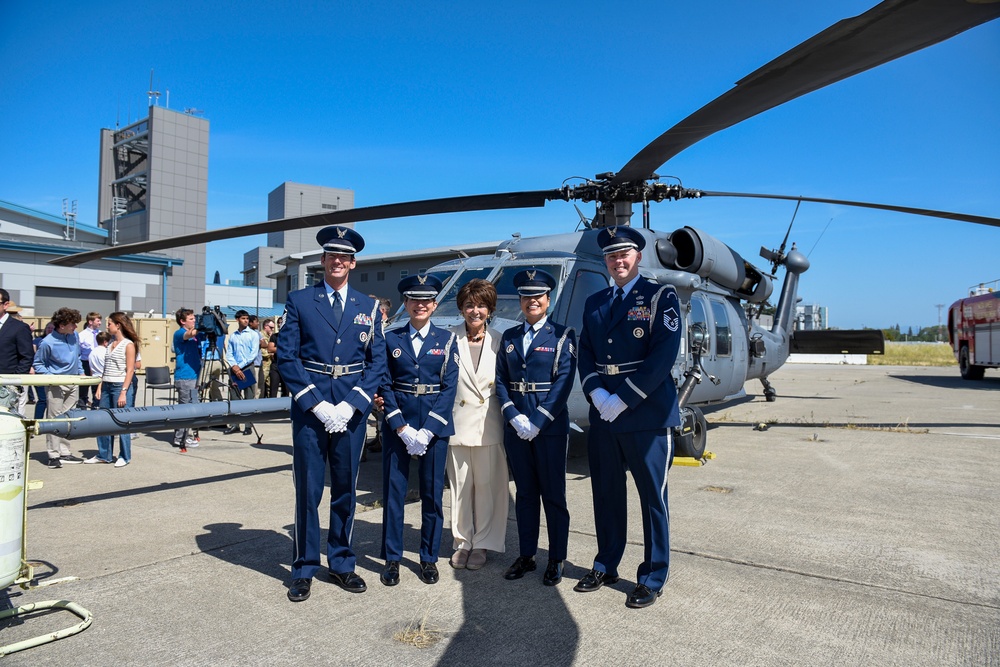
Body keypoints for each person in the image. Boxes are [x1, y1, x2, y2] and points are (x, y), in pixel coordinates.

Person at [276, 225, 387, 603]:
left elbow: (376, 362)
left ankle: (341, 562)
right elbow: (287, 356)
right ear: (322, 261)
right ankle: (304, 567)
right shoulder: (300, 300)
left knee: (345, 489)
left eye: (344, 257)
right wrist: (317, 403)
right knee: (308, 490)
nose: (338, 261)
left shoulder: (368, 307)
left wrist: (352, 404)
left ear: (352, 263)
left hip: (350, 411)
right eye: (331, 255)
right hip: (312, 410)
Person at [575, 225, 682, 609]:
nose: (617, 261)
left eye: (624, 254)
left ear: (637, 256)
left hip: (647, 414)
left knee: (652, 498)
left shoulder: (659, 296)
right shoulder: (596, 302)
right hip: (604, 413)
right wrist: (597, 392)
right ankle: (606, 564)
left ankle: (653, 576)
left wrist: (625, 397)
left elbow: (662, 354)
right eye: (610, 256)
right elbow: (584, 351)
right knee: (605, 493)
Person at [495, 269, 577, 586]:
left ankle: (556, 558)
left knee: (554, 495)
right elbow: (501, 381)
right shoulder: (511, 337)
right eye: (527, 296)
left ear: (548, 299)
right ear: (520, 300)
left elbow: (563, 383)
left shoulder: (562, 336)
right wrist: (513, 415)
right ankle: (527, 555)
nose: (532, 301)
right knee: (527, 494)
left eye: (538, 296)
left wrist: (539, 420)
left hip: (550, 429)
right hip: (517, 428)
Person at [378, 274, 459, 587]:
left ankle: (428, 557)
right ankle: (393, 559)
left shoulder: (447, 340)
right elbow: (385, 382)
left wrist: (426, 432)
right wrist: (401, 426)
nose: (420, 305)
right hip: (399, 427)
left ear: (435, 305)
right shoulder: (391, 339)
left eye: (426, 300)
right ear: (405, 303)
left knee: (432, 496)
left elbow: (449, 388)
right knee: (394, 494)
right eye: (414, 300)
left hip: (434, 430)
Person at [445, 278, 508, 571]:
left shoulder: (500, 340)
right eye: (469, 305)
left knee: (487, 487)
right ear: (461, 308)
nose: (475, 311)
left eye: (481, 305)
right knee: (460, 488)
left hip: (488, 424)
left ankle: (481, 542)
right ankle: (462, 542)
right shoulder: (448, 339)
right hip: (457, 424)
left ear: (490, 309)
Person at [32, 307, 86, 468]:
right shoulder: (47, 342)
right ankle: (53, 455)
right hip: (56, 384)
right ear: (62, 325)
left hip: (73, 382)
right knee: (55, 420)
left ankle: (65, 452)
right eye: (73, 324)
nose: (76, 327)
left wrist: (81, 373)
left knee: (69, 419)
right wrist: (52, 377)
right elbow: (38, 363)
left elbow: (77, 357)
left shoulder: (74, 336)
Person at [88, 312, 140, 467]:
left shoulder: (128, 345)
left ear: (118, 325)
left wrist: (123, 391)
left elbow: (130, 370)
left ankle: (125, 456)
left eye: (109, 323)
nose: (107, 326)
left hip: (119, 386)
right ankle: (104, 454)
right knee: (103, 421)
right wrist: (100, 386)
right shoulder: (110, 344)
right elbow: (106, 368)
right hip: (107, 385)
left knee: (123, 422)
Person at [0, 289, 34, 416]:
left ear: (6, 305)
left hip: (6, 387)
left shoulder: (19, 328)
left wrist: (14, 382)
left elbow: (27, 357)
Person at [172, 308, 202, 451]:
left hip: (195, 375)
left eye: (194, 318)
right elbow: (188, 334)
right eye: (191, 319)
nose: (194, 320)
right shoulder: (179, 333)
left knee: (193, 407)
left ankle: (187, 434)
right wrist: (202, 327)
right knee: (185, 409)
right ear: (182, 321)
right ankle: (180, 438)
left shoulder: (194, 335)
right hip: (185, 376)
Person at [224, 310, 257, 435]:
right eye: (243, 318)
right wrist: (234, 366)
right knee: (234, 396)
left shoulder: (253, 335)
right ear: (237, 319)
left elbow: (252, 354)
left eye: (247, 318)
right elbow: (229, 353)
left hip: (247, 368)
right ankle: (234, 424)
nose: (246, 321)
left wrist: (240, 367)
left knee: (249, 397)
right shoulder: (233, 336)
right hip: (235, 369)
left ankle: (248, 425)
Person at [77, 312, 102, 408]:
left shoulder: (100, 334)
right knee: (83, 390)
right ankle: (82, 408)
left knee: (96, 389)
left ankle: (95, 408)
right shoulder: (82, 335)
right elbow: (78, 352)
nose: (100, 323)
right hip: (85, 364)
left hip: (97, 365)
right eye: (98, 320)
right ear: (90, 322)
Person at [259, 318, 275, 399]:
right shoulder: (260, 335)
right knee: (260, 386)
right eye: (271, 327)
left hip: (270, 364)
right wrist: (270, 353)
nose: (272, 329)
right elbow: (261, 350)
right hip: (264, 364)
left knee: (270, 386)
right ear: (266, 326)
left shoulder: (271, 336)